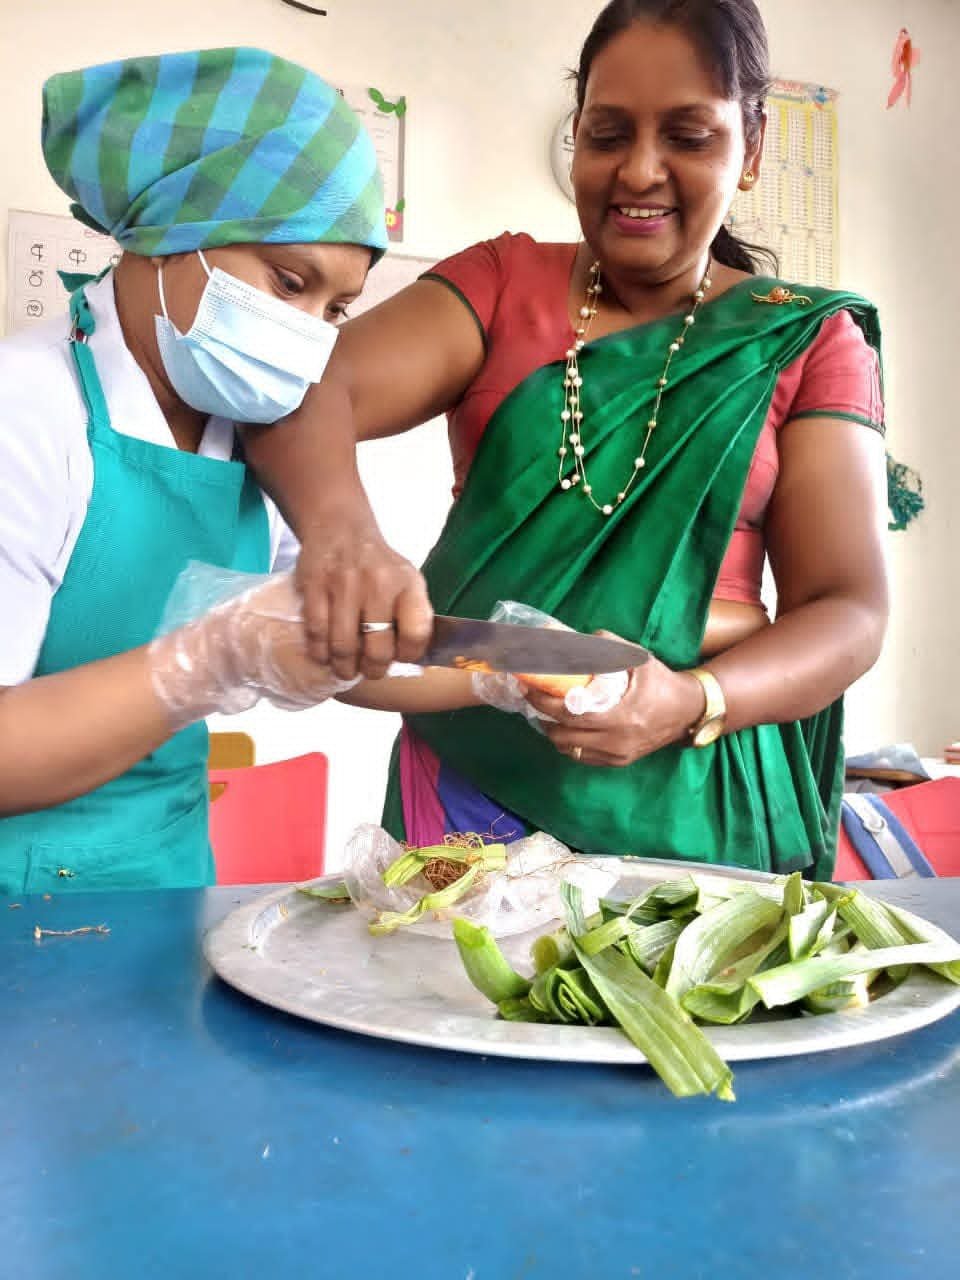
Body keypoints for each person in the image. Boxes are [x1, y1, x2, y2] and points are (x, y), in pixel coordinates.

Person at [244, 0, 890, 879]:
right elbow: (299, 392)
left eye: (688, 137)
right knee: (454, 971)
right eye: (608, 133)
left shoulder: (805, 340)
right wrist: (345, 537)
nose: (640, 171)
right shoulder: (502, 284)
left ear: (752, 150)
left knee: (676, 975)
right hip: (473, 789)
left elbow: (849, 610)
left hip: (701, 785)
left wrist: (692, 697)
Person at [0, 46, 431, 894]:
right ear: (172, 236)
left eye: (335, 310)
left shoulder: (247, 425)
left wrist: (515, 677)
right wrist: (207, 660)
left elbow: (341, 646)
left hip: (169, 882)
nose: (308, 335)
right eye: (289, 282)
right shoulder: (27, 407)